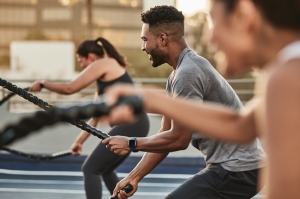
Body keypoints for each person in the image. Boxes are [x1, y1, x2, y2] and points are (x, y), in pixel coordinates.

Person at [101, 1, 300, 199]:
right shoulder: (286, 69)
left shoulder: (286, 77)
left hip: (236, 168)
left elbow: (179, 138)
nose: (209, 38)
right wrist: (151, 98)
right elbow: (240, 125)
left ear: (243, 15)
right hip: (240, 168)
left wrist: (132, 143)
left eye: (213, 22)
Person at [28, 37, 149, 199]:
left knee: (90, 169)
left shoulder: (104, 63)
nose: (82, 66)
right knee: (105, 170)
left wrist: (43, 84)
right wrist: (79, 142)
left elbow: (70, 88)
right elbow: (95, 118)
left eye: (81, 60)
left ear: (91, 57)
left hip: (133, 124)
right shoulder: (105, 77)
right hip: (136, 125)